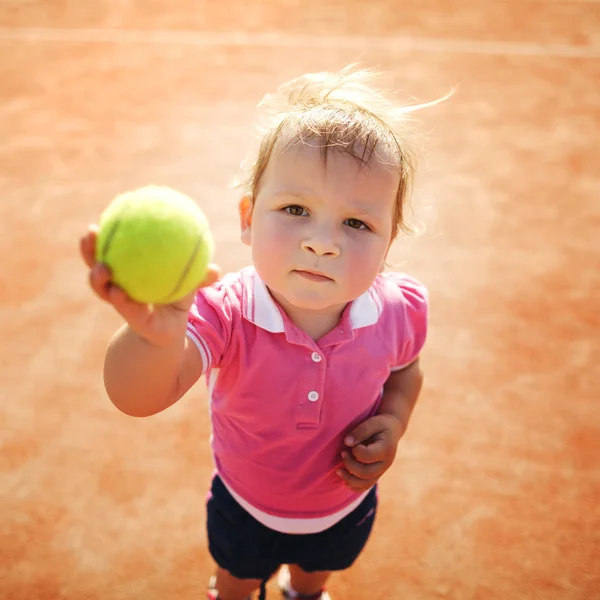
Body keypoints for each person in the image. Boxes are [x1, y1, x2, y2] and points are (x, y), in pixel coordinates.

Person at [80, 65, 445, 600]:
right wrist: (155, 340)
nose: (322, 243)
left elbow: (406, 370)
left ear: (388, 242)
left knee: (315, 575)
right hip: (244, 506)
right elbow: (137, 397)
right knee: (236, 583)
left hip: (345, 505)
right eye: (295, 209)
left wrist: (395, 418)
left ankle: (304, 592)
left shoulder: (399, 309)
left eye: (357, 223)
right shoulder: (222, 312)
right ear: (248, 218)